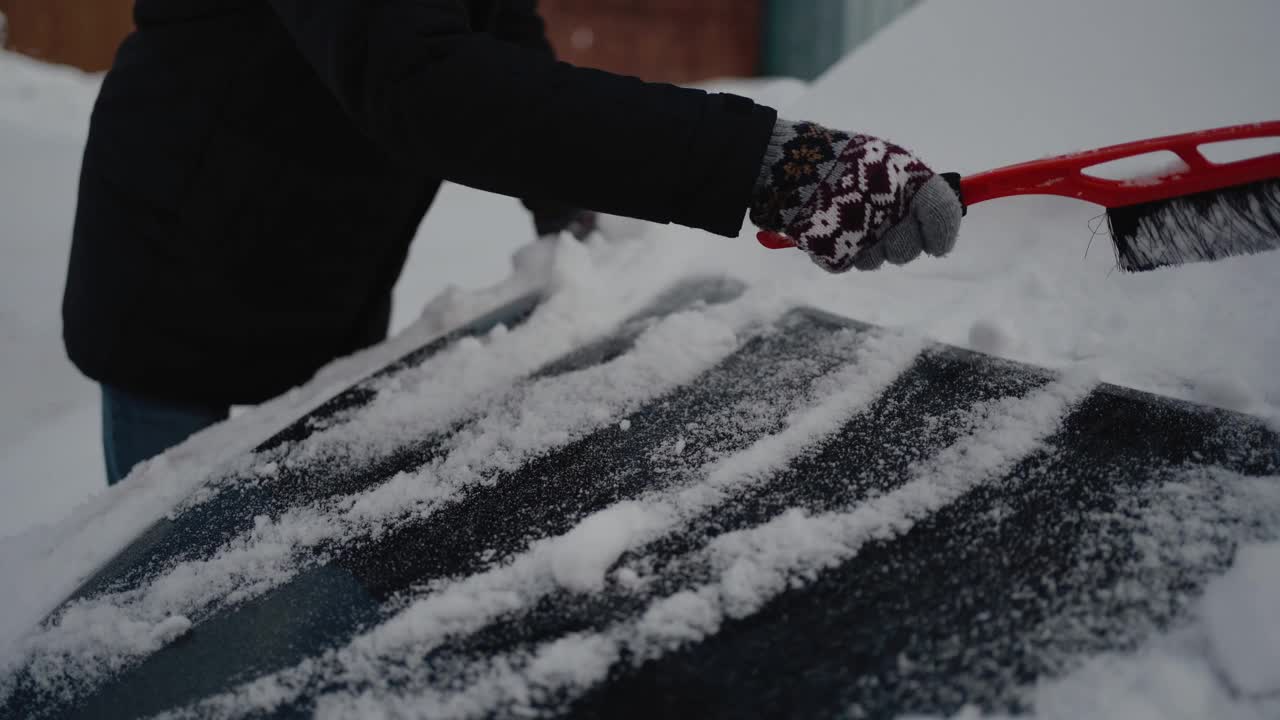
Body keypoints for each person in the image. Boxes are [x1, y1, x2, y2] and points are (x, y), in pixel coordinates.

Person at [62, 0, 962, 486]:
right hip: (178, 270)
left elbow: (497, 28)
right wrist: (771, 166)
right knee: (169, 617)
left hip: (327, 262)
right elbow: (423, 82)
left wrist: (565, 205)